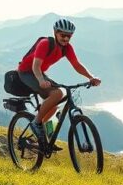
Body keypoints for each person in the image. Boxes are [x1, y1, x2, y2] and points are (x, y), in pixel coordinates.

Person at [16, 18, 101, 146]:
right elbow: (36, 66)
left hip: (40, 73)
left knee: (55, 105)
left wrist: (90, 77)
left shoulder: (67, 48)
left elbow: (76, 65)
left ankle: (44, 136)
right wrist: (41, 80)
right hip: (27, 72)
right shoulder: (45, 43)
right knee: (57, 94)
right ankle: (35, 123)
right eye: (63, 35)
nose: (66, 39)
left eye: (69, 36)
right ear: (55, 32)